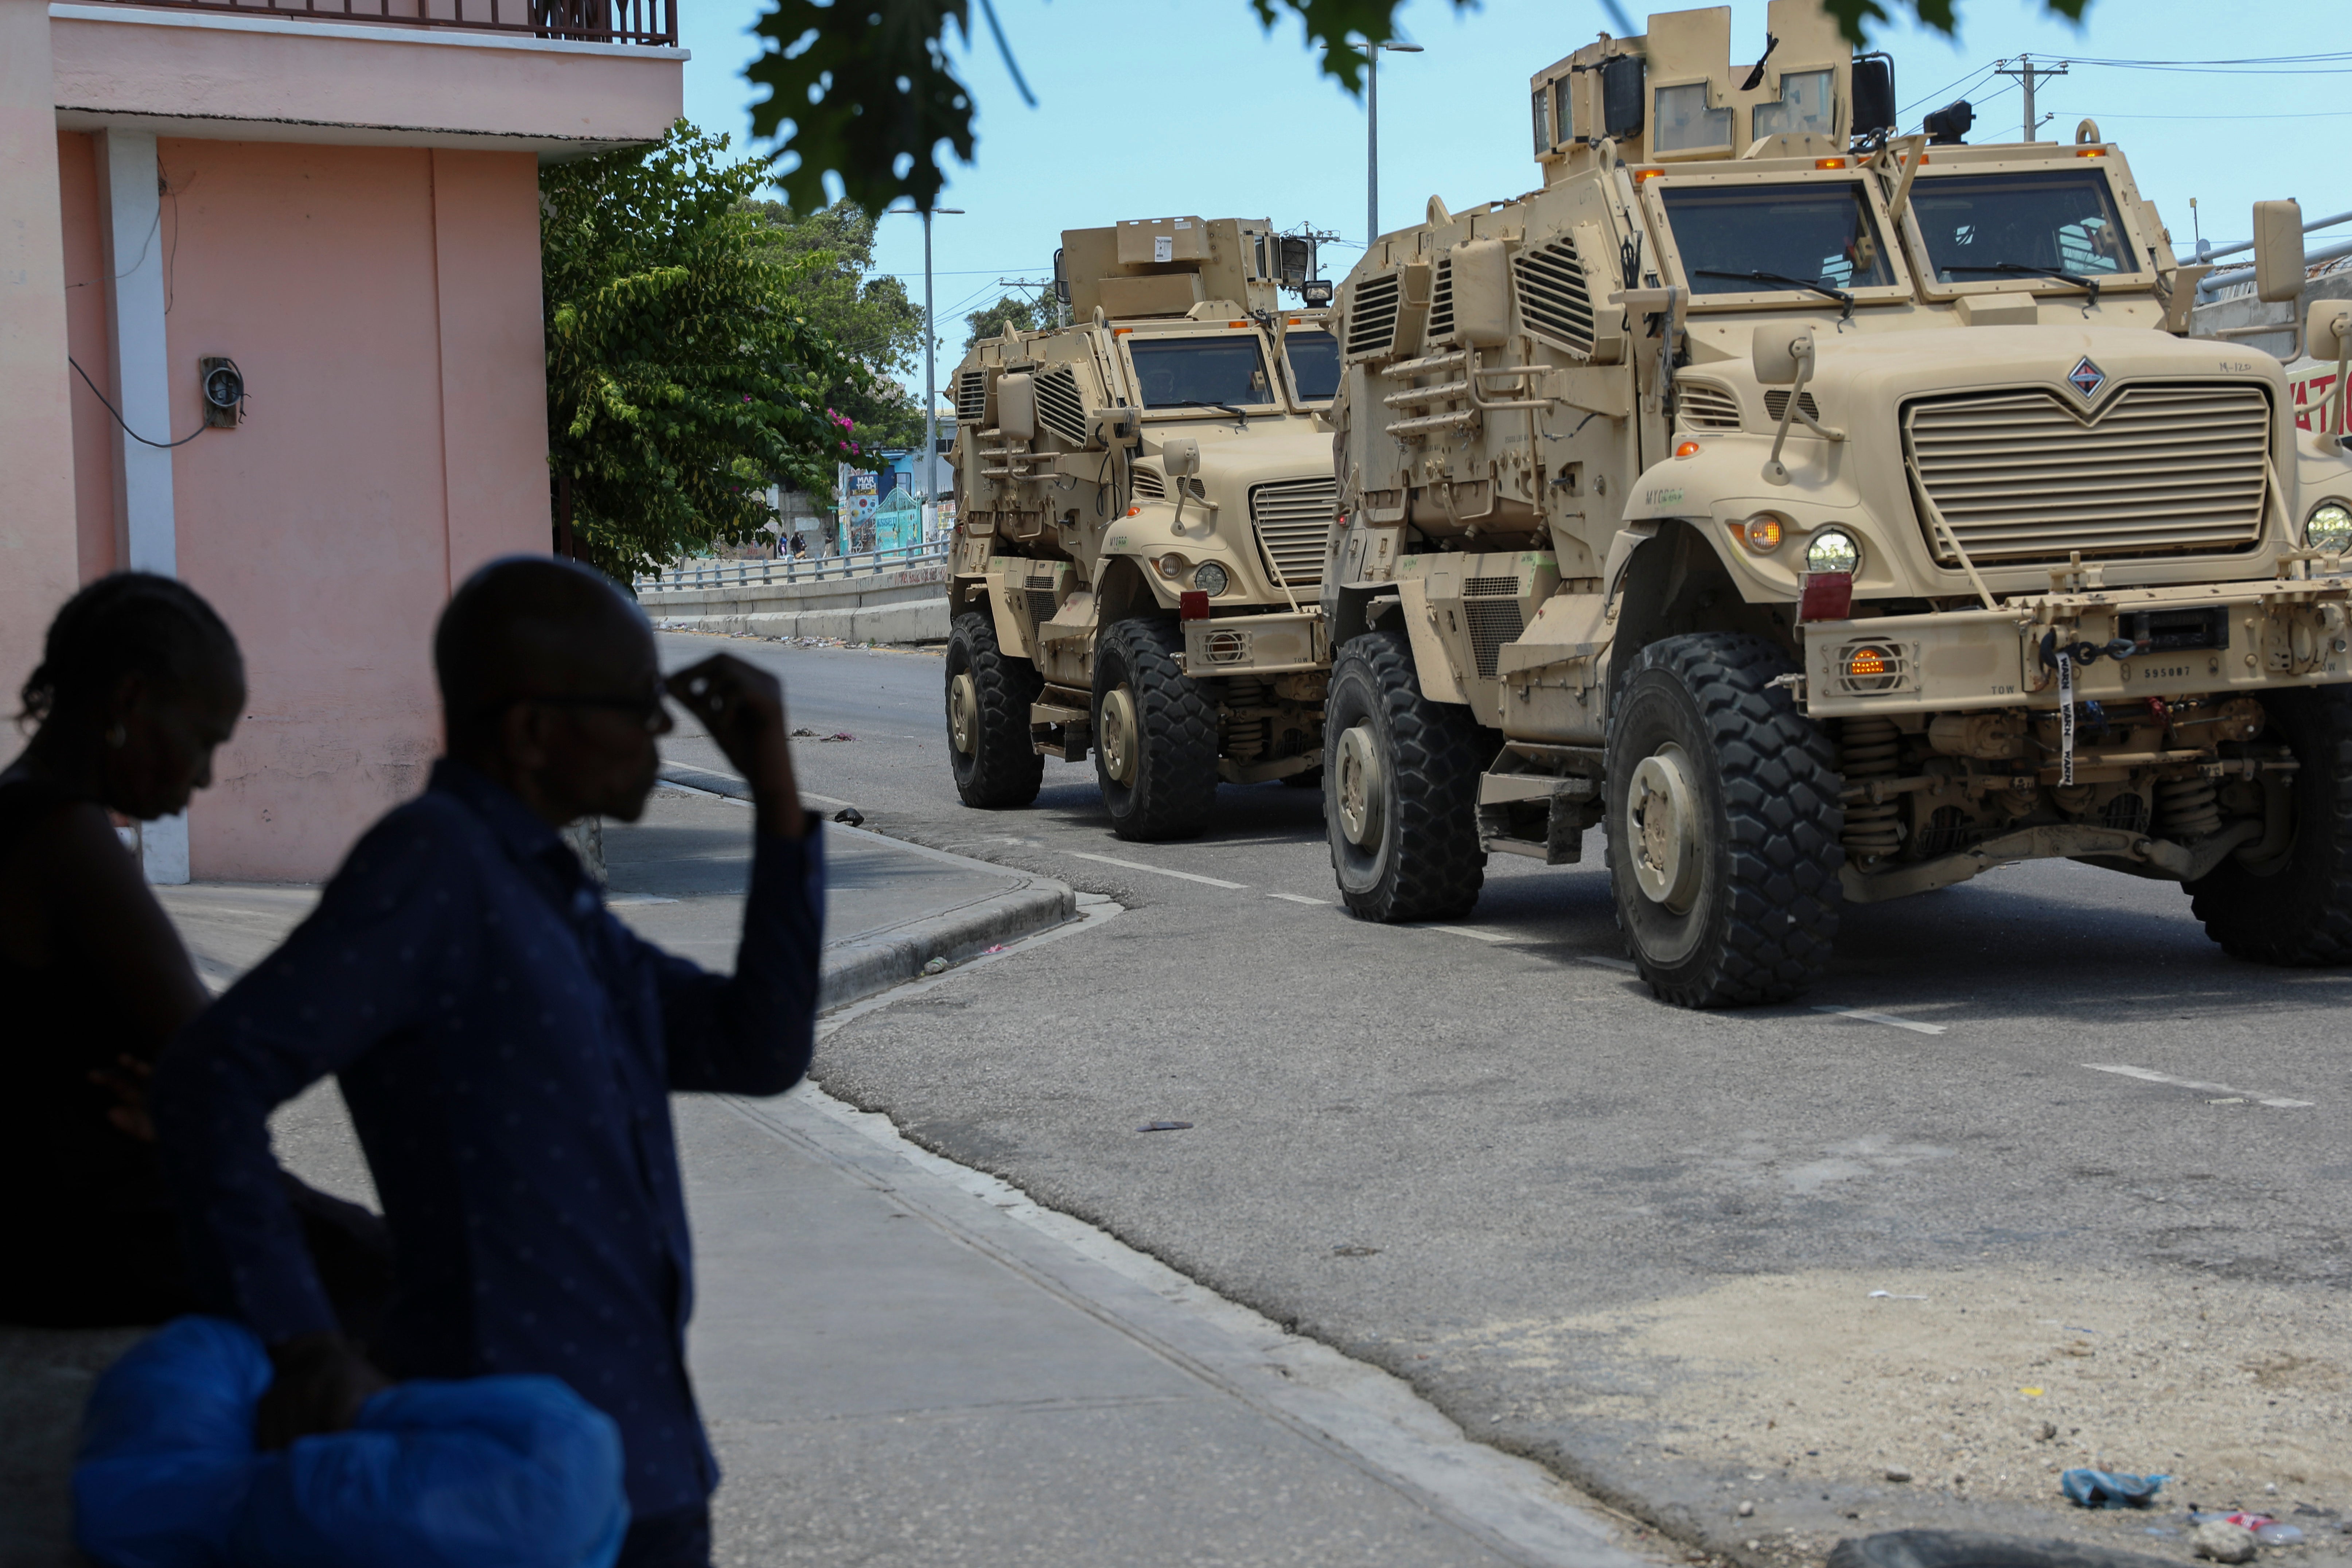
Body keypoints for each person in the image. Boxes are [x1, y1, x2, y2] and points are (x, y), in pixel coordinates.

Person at [152, 556, 822, 1568]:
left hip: (643, 1459)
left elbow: (754, 1045)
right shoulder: (434, 867)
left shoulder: (552, 894)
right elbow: (210, 1074)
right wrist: (303, 1340)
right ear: (533, 730)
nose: (658, 735)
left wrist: (777, 796)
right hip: (506, 1479)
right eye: (637, 709)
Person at [0, 572, 388, 1331]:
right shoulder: (61, 833)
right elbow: (213, 1066)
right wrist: (191, 1096)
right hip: (105, 1235)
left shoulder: (24, 811)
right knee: (417, 1283)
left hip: (76, 1216)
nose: (207, 775)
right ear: (130, 702)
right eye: (204, 739)